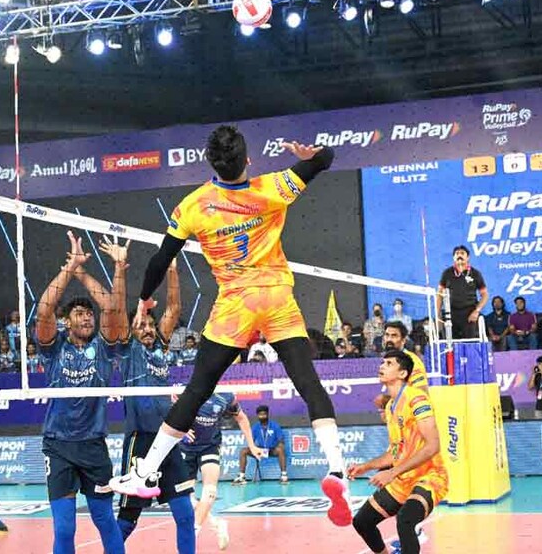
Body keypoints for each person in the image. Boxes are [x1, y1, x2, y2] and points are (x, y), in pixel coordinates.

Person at [109, 125, 354, 526]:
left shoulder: (193, 206)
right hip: (276, 298)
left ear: (211, 162)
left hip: (235, 306)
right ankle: (337, 469)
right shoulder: (275, 187)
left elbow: (160, 259)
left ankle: (145, 472)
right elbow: (326, 158)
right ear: (248, 161)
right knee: (308, 382)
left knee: (197, 390)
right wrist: (309, 155)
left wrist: (145, 299)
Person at [91, 237, 199, 553]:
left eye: (151, 325)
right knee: (128, 519)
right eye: (142, 325)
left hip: (168, 439)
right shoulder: (128, 350)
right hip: (140, 440)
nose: (149, 329)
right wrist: (120, 267)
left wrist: (172, 266)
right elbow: (117, 313)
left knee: (185, 514)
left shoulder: (161, 348)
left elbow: (175, 307)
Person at [32, 232, 127, 554]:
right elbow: (44, 310)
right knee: (64, 528)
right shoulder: (53, 348)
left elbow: (111, 309)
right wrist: (70, 267)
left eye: (89, 313)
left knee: (105, 520)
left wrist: (102, 270)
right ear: (66, 322)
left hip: (93, 446)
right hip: (58, 445)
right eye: (78, 313)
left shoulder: (104, 349)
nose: (86, 316)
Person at [347, 351, 446, 554]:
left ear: (402, 373)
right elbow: (395, 453)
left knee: (405, 520)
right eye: (383, 362)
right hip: (403, 479)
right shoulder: (391, 407)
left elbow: (433, 446)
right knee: (362, 522)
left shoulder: (417, 399)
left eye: (389, 363)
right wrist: (365, 466)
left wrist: (392, 472)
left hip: (429, 477)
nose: (382, 366)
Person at [181, 392, 261, 550]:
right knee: (186, 499)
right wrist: (180, 429)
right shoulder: (185, 391)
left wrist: (251, 445)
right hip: (186, 449)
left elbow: (241, 418)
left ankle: (194, 533)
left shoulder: (226, 397)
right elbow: (167, 414)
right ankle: (217, 524)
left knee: (209, 490)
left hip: (210, 447)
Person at [437, 246, 489, 340]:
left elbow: (485, 295)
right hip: (450, 313)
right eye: (457, 253)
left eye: (462, 253)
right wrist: (438, 315)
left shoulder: (475, 273)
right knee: (450, 343)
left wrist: (476, 311)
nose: (459, 255)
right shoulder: (447, 273)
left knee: (470, 343)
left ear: (468, 257)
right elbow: (440, 295)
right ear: (453, 257)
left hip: (469, 313)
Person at [232, 405, 289, 485]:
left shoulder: (274, 425)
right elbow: (251, 440)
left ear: (267, 414)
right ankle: (241, 476)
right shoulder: (255, 427)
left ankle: (284, 475)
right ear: (257, 415)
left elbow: (281, 440)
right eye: (260, 415)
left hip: (272, 450)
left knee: (280, 450)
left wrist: (280, 445)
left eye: (264, 414)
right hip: (260, 450)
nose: (262, 416)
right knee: (243, 451)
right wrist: (254, 448)